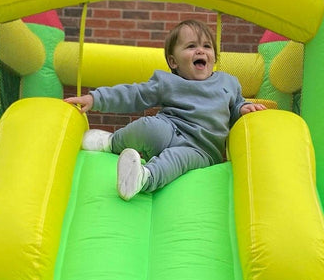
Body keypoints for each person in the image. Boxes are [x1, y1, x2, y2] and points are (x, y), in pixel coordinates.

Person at [65, 19, 266, 200]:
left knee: (175, 160)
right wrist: (96, 98)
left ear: (214, 56)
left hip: (200, 148)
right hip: (169, 128)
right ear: (173, 61)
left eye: (207, 46)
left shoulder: (228, 82)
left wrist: (244, 108)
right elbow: (135, 94)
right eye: (190, 46)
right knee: (147, 126)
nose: (200, 51)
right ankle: (111, 142)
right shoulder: (167, 82)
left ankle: (143, 178)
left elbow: (235, 106)